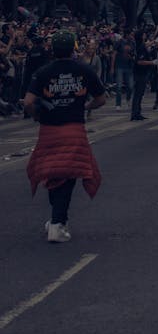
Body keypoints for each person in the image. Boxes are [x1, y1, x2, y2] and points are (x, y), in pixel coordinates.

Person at [24, 29, 106, 243]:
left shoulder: (43, 72)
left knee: (53, 173)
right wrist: (85, 105)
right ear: (73, 49)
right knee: (69, 175)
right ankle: (58, 222)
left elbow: (28, 102)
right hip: (74, 130)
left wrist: (38, 116)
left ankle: (57, 219)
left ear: (52, 49)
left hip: (49, 131)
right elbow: (101, 99)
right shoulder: (84, 70)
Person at [130, 29, 155, 120]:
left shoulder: (140, 45)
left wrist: (155, 41)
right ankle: (135, 113)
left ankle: (137, 112)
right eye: (144, 34)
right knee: (138, 94)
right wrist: (152, 62)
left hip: (141, 73)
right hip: (140, 73)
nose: (145, 35)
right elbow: (140, 62)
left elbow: (147, 44)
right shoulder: (141, 47)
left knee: (140, 94)